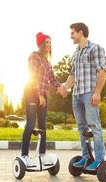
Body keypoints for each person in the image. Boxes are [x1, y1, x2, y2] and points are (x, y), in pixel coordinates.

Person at [62, 22, 106, 171]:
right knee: (82, 128)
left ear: (80, 32)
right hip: (76, 95)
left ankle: (100, 159)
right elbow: (72, 75)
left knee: (94, 126)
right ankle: (86, 156)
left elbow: (102, 72)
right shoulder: (75, 53)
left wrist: (97, 92)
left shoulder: (95, 48)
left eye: (72, 33)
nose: (71, 36)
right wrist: (64, 87)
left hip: (89, 93)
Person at [21, 32, 66, 165]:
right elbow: (32, 76)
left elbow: (52, 79)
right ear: (40, 44)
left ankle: (42, 154)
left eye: (50, 42)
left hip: (43, 96)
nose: (49, 45)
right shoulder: (34, 57)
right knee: (30, 123)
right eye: (46, 42)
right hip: (32, 93)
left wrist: (60, 88)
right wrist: (39, 95)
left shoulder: (47, 62)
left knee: (42, 125)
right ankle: (24, 155)